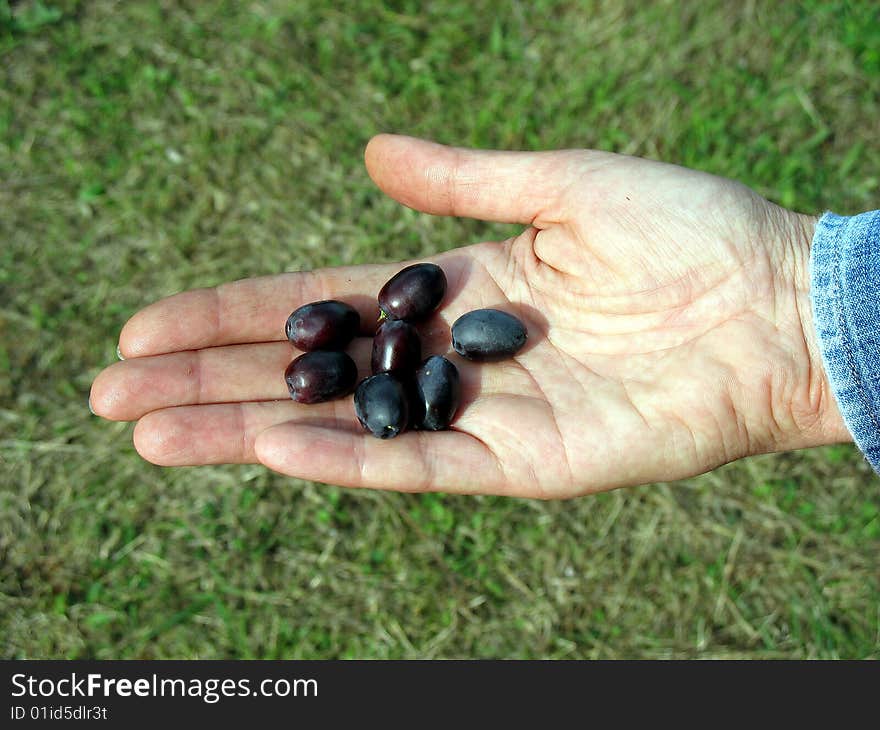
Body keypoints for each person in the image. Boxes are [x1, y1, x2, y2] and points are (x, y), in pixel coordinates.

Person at [88, 134, 878, 498]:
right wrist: (806, 309)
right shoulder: (403, 352)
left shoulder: (427, 344)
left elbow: (410, 350)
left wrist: (799, 301)